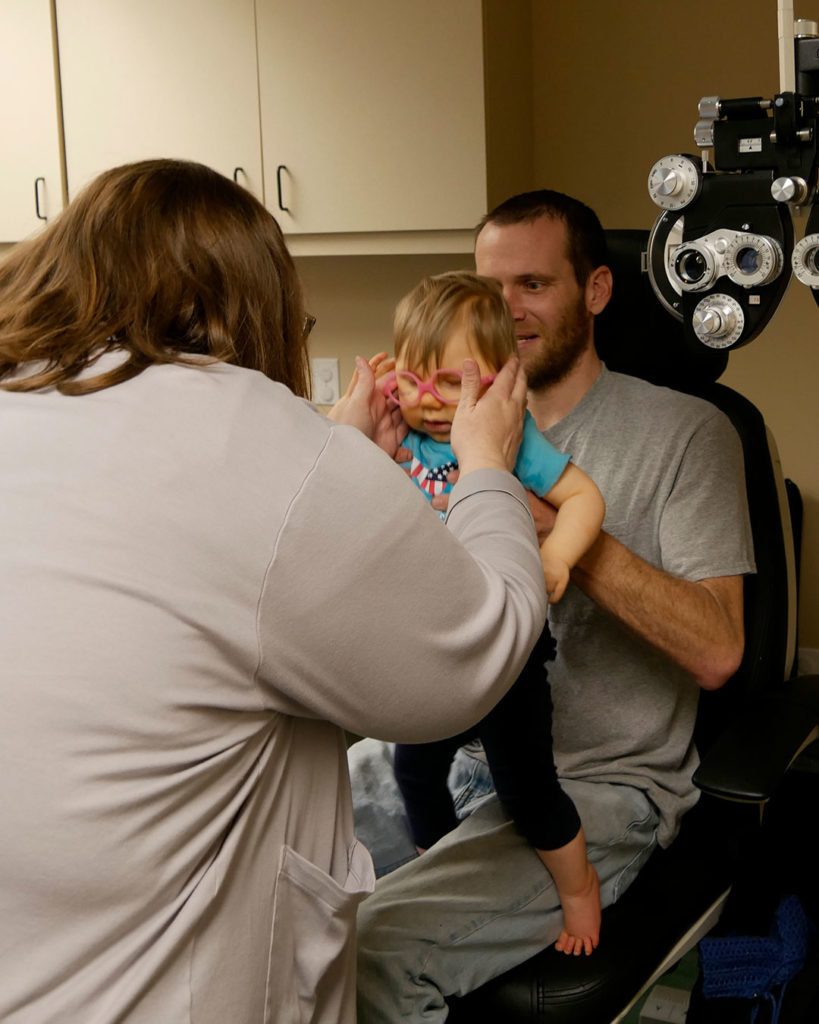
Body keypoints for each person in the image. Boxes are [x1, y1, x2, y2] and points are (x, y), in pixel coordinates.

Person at [0, 159, 552, 1024]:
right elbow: (475, 654)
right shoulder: (259, 443)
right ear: (256, 306)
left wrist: (336, 467)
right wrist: (486, 462)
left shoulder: (25, 404)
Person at [351, 189, 755, 1022]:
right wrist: (366, 457)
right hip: (445, 749)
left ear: (596, 292)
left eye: (532, 284)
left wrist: (525, 511)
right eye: (489, 286)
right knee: (246, 893)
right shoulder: (428, 430)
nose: (505, 309)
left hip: (595, 783)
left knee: (368, 956)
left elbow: (718, 652)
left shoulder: (688, 432)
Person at [384, 270, 605, 953]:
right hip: (433, 650)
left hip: (506, 652)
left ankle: (578, 891)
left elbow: (584, 500)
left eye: (452, 384)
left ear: (500, 384)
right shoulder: (404, 443)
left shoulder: (513, 443)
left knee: (526, 791)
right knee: (413, 772)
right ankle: (437, 858)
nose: (430, 402)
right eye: (414, 381)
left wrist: (558, 558)